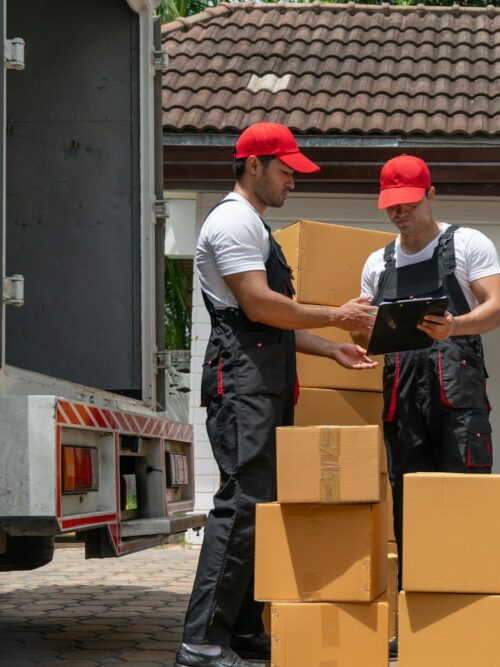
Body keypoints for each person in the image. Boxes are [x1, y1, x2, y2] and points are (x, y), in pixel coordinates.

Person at [175, 122, 377, 667]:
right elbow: (261, 307)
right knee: (241, 507)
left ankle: (241, 632)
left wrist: (329, 347)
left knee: (259, 508)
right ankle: (201, 644)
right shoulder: (234, 221)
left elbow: (275, 324)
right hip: (243, 384)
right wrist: (338, 315)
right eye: (286, 171)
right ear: (253, 165)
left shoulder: (257, 226)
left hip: (262, 381)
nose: (293, 181)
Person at [356, 154, 500, 586]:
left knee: (464, 499)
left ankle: (465, 615)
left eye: (408, 203)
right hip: (401, 401)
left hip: (458, 400)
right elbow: (363, 333)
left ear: (431, 195)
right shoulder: (377, 263)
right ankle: (416, 619)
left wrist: (456, 326)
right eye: (391, 205)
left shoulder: (467, 244)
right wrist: (357, 335)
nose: (399, 213)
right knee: (410, 506)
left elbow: (499, 308)